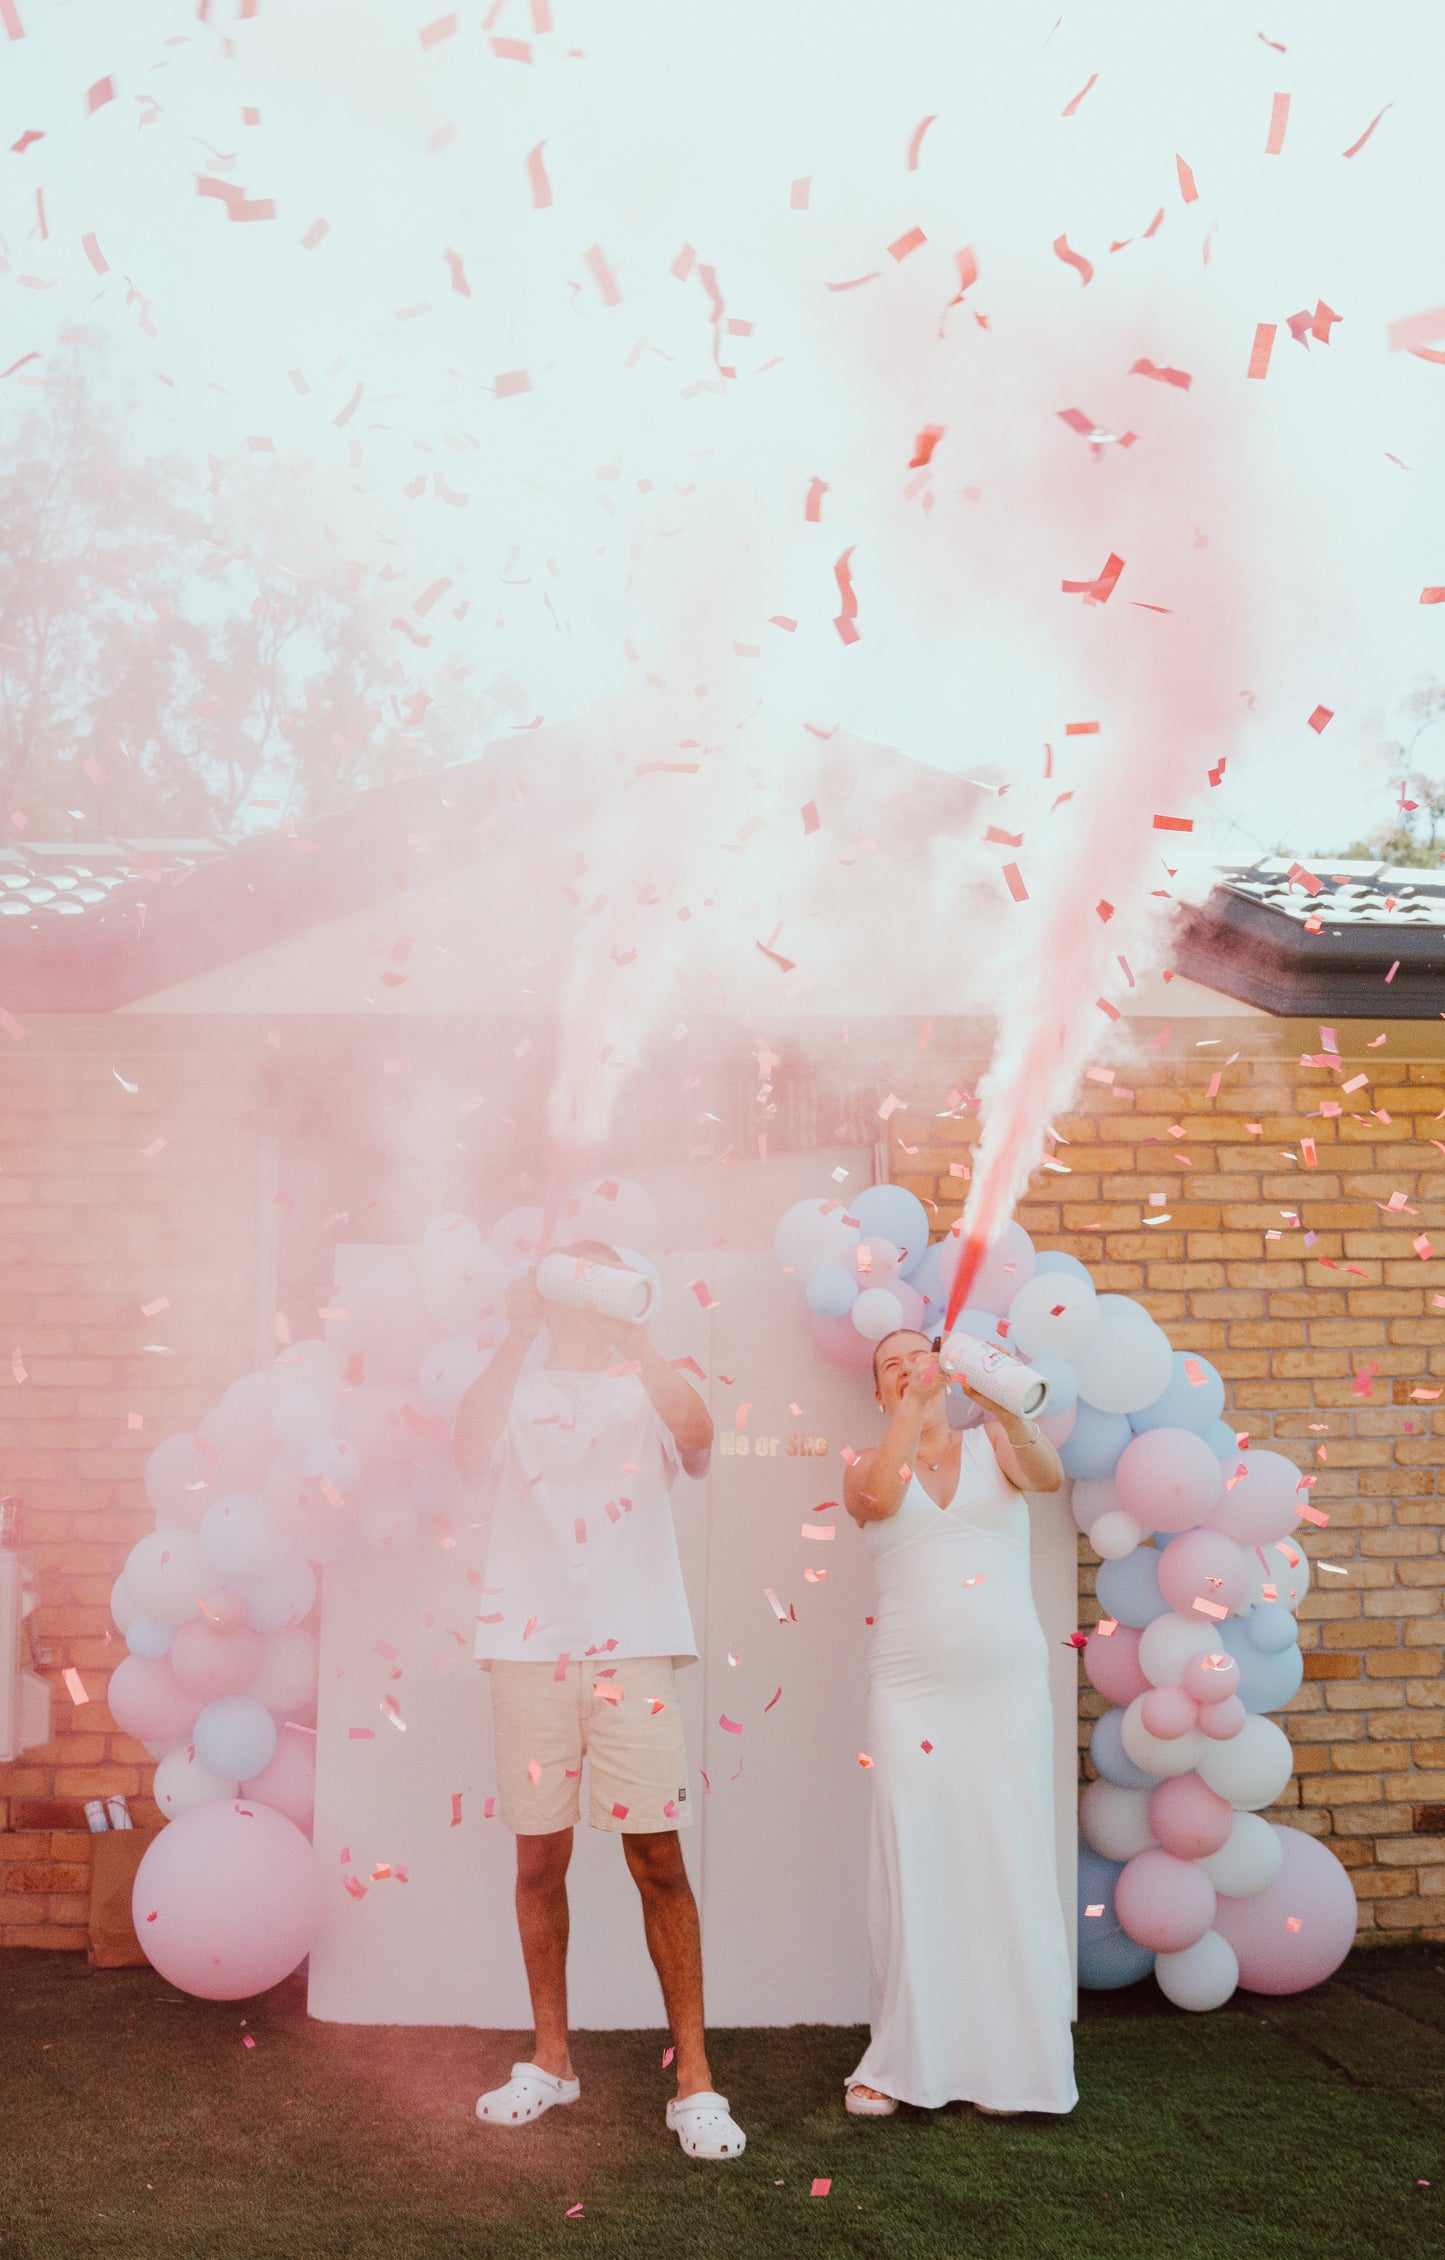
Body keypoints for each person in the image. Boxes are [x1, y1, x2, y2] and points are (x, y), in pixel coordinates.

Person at [453, 1241, 746, 2161]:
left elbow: (698, 1438)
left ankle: (694, 2080)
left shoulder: (642, 1387)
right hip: (527, 1649)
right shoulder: (521, 1386)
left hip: (634, 1645)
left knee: (658, 1858)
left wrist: (637, 1337)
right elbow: (466, 1451)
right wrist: (516, 1331)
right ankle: (550, 2062)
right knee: (539, 1859)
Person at [841, 1327, 1077, 2119]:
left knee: (1005, 1856)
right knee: (915, 1861)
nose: (909, 1368)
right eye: (890, 1366)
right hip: (910, 1695)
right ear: (878, 1392)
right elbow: (878, 1496)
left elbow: (1044, 1478)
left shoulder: (992, 1449)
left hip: (1005, 1694)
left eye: (918, 1355)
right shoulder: (865, 1469)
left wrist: (1004, 1408)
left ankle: (1014, 2066)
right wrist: (910, 1414)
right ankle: (901, 2059)